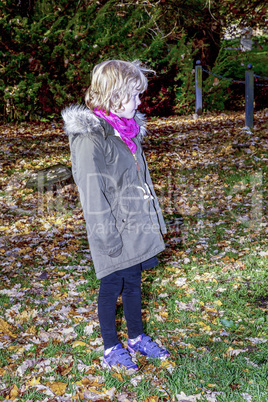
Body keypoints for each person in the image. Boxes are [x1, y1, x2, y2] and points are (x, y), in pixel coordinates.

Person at [62, 59, 169, 371]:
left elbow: (141, 179)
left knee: (133, 281)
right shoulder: (90, 138)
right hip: (110, 229)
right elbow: (91, 193)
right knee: (112, 286)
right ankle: (111, 347)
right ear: (114, 95)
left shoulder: (127, 130)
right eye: (134, 95)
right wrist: (108, 238)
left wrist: (155, 219)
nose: (139, 102)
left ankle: (136, 337)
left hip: (135, 225)